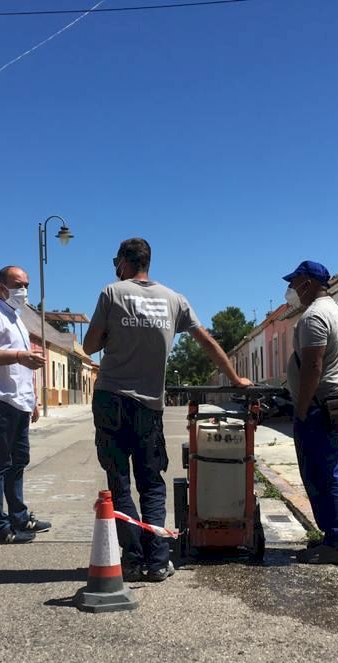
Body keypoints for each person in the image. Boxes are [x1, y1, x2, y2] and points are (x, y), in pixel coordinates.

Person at [83, 238, 252, 582]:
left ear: (124, 262)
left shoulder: (111, 293)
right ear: (148, 262)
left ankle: (132, 560)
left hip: (111, 398)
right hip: (149, 405)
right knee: (151, 482)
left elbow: (89, 346)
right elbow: (206, 341)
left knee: (119, 481)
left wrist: (115, 334)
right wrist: (235, 379)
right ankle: (158, 560)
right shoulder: (175, 299)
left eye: (116, 263)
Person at [283, 260, 338, 565]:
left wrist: (301, 410)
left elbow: (313, 367)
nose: (291, 289)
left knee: (325, 475)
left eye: (294, 283)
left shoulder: (314, 316)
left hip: (321, 407)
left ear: (308, 282)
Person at [0, 266, 52, 544]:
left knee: (18, 461)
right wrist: (18, 356)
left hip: (18, 402)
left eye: (26, 284)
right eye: (18, 284)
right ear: (2, 286)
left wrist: (33, 399)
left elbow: (24, 366)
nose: (23, 290)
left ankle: (19, 517)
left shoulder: (16, 317)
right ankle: (0, 528)